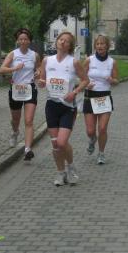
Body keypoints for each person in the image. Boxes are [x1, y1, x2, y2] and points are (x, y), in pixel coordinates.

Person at [37, 31, 89, 186]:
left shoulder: (74, 62)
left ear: (70, 46)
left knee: (61, 142)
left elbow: (85, 80)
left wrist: (74, 92)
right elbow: (42, 80)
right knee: (55, 144)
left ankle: (71, 166)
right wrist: (40, 82)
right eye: (60, 39)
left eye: (66, 41)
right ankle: (61, 173)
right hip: (51, 105)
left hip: (67, 107)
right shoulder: (47, 60)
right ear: (56, 41)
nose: (62, 42)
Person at [0, 28, 39, 161]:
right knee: (16, 119)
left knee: (29, 120)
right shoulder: (13, 54)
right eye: (20, 39)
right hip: (16, 89)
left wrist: (38, 73)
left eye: (25, 39)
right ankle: (15, 132)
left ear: (29, 41)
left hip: (30, 89)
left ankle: (27, 149)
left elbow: (38, 68)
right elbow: (1, 70)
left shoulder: (34, 55)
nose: (23, 41)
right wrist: (14, 68)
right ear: (17, 41)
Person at [83, 34, 119, 165]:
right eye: (97, 44)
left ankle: (101, 153)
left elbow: (117, 81)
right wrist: (86, 84)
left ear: (107, 46)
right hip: (90, 96)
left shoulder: (112, 62)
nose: (100, 46)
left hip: (104, 97)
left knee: (102, 128)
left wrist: (111, 80)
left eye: (102, 44)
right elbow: (81, 78)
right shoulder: (89, 60)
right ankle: (92, 139)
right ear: (95, 46)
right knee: (90, 131)